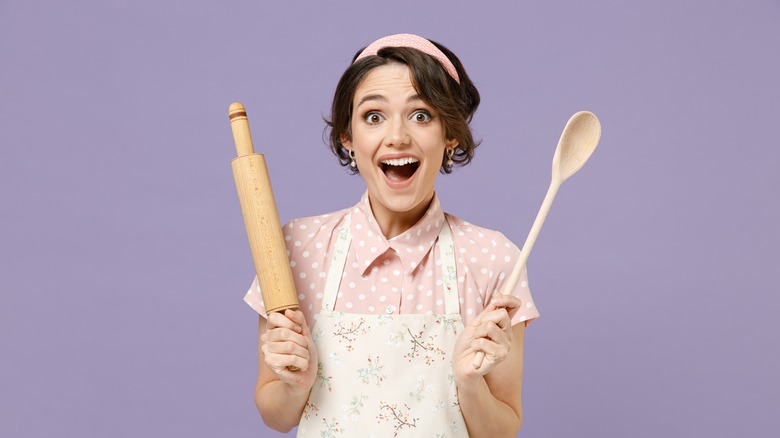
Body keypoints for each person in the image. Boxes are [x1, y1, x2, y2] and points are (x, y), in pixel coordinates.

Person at [243, 34, 540, 437]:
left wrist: (469, 386)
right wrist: (296, 384)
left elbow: (503, 429)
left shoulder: (493, 259)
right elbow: (275, 414)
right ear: (348, 137)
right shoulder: (295, 249)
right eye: (373, 116)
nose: (398, 136)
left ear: (450, 135)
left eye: (421, 115)